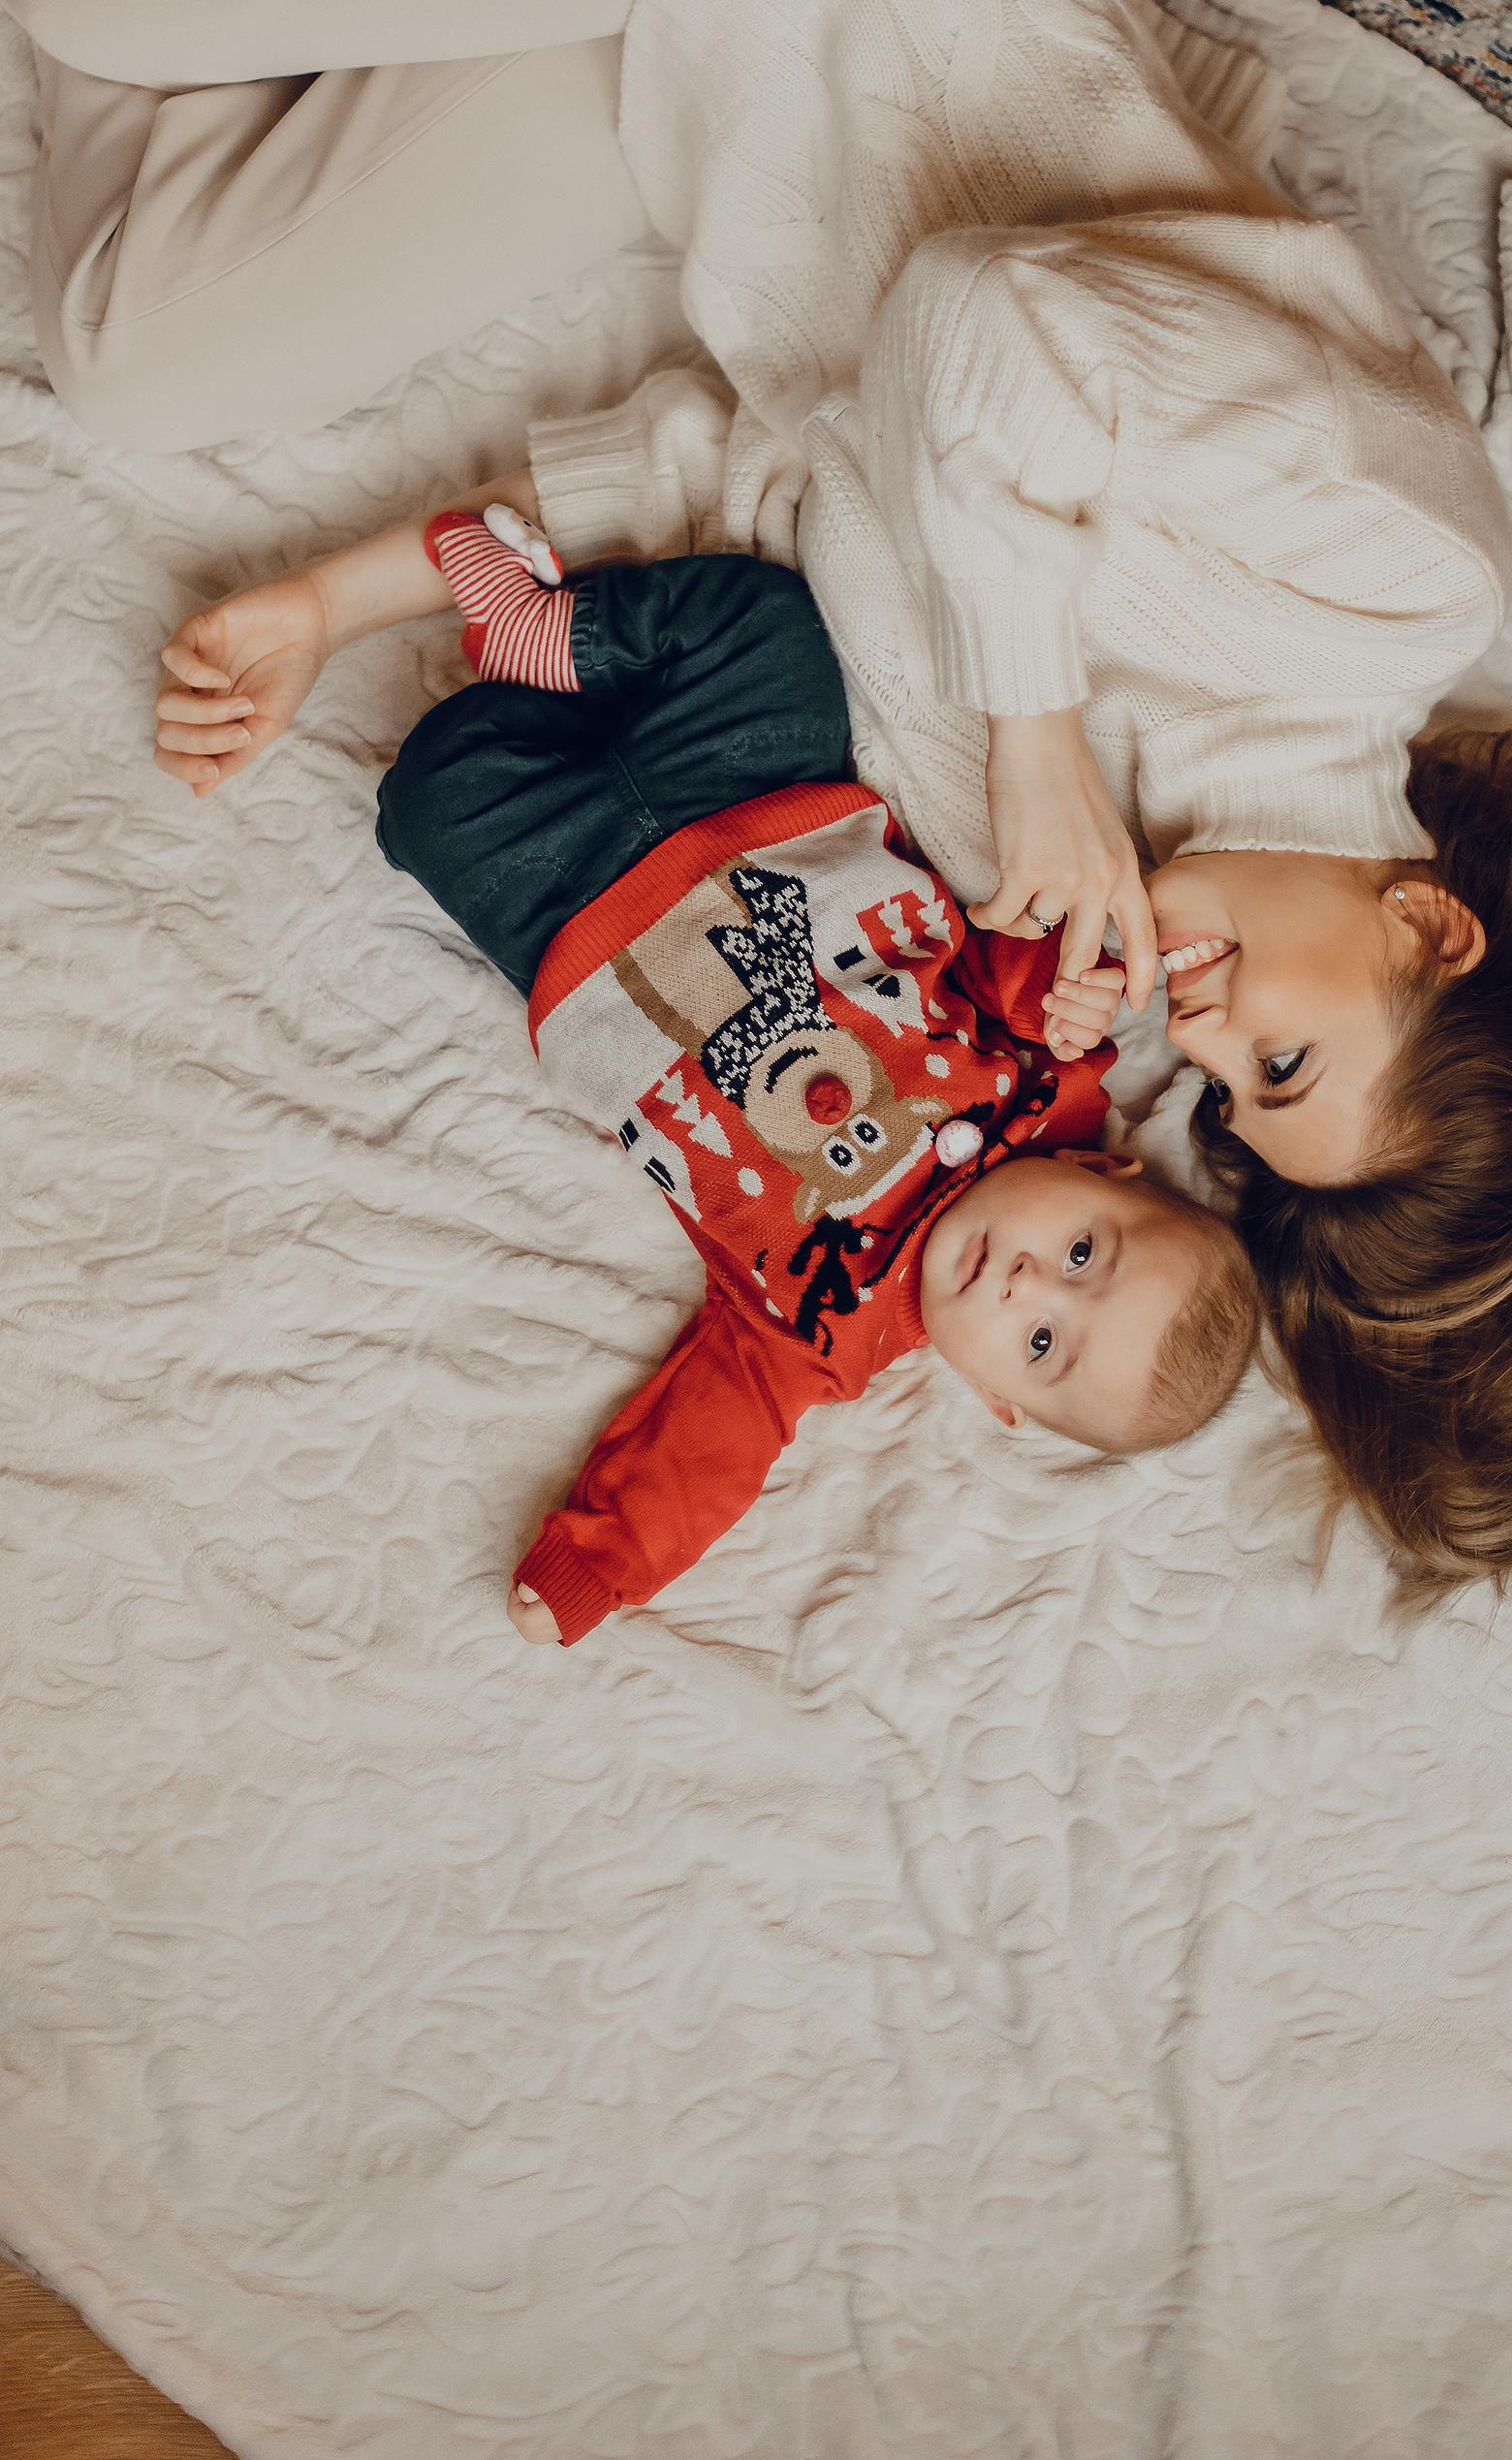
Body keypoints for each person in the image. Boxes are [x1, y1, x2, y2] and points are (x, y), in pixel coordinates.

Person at [0, 0, 1512, 1620]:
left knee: (138, 347)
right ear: (1424, 921)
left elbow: (767, 471)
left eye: (1233, 1106)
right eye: (1283, 1048)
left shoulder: (1061, 896)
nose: (1194, 1043)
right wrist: (1029, 745)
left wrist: (348, 588)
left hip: (676, 128)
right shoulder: (1381, 584)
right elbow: (977, 331)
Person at [209, 499, 1262, 1647]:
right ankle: (550, 630)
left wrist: (601, 1564)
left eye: (1044, 1343)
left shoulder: (818, 1331)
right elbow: (1021, 939)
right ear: (1107, 1171)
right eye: (1081, 1252)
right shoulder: (1050, 1074)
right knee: (767, 625)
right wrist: (1075, 984)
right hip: (762, 799)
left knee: (426, 799)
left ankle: (544, 678)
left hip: (573, 914)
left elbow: (712, 1438)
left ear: (997, 1399)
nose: (1026, 1285)